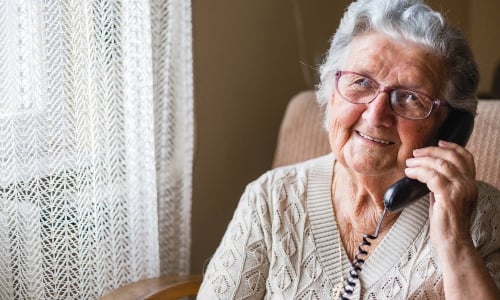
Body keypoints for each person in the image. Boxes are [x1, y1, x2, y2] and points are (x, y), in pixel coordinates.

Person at [197, 0, 500, 298]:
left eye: (410, 97)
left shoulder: (485, 218)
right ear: (331, 93)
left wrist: (456, 243)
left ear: (449, 127)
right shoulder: (271, 200)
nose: (376, 115)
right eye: (361, 82)